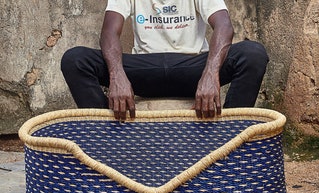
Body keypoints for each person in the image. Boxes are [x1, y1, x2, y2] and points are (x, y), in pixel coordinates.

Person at [61, 0, 269, 121]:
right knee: (75, 60)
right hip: (145, 69)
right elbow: (109, 32)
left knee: (253, 54)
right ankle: (105, 140)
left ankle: (230, 135)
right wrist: (117, 75)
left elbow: (224, 26)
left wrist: (210, 74)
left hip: (192, 67)